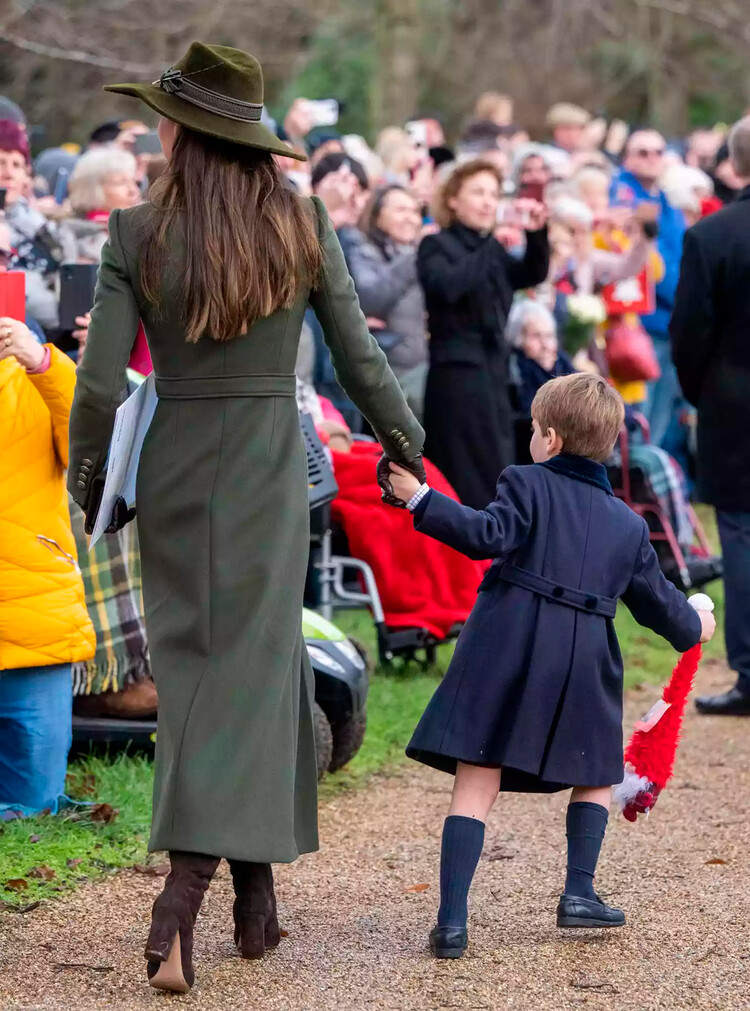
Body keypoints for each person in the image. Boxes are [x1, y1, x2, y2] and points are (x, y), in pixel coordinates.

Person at [67, 43, 425, 994]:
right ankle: (187, 896)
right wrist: (404, 440)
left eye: (163, 118)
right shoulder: (302, 220)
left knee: (203, 674)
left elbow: (99, 384)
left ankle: (252, 900)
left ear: (186, 132)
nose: (157, 130)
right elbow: (359, 354)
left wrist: (89, 475)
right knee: (256, 668)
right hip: (269, 466)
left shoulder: (136, 228)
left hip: (176, 464)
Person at [386, 372, 715, 958]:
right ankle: (579, 894)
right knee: (596, 772)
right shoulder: (628, 524)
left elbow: (486, 535)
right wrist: (697, 624)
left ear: (552, 439)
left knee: (478, 771)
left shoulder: (525, 482)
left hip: (507, 643)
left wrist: (419, 497)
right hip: (585, 658)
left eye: (536, 429)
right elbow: (662, 609)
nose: (532, 438)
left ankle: (453, 921)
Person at [0, 315, 95, 817]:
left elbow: (92, 455)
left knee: (34, 803)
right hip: (35, 607)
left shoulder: (37, 372)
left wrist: (42, 362)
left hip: (32, 615)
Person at [671, 115, 750, 717]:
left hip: (735, 402)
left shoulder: (713, 235)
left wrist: (705, 393)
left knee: (741, 534)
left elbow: (689, 334)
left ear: (735, 163)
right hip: (731, 400)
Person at [418, 159, 549, 508]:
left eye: (493, 194)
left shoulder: (491, 248)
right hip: (457, 377)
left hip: (493, 373)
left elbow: (530, 273)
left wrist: (537, 234)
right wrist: (492, 245)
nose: (488, 202)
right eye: (478, 192)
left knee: (497, 468)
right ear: (452, 200)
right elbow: (449, 287)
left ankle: (493, 536)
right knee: (465, 475)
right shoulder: (436, 245)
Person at [611, 130, 686, 453]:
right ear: (627, 158)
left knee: (659, 422)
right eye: (643, 152)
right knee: (637, 424)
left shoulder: (666, 201)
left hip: (670, 323)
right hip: (639, 326)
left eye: (658, 151)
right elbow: (649, 269)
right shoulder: (624, 197)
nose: (652, 158)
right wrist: (684, 293)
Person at [347, 185, 427, 418]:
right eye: (401, 210)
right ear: (377, 214)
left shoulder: (413, 252)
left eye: (414, 211)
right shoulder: (363, 249)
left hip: (421, 367)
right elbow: (370, 297)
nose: (410, 218)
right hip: (391, 373)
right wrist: (413, 257)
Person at [0, 119, 61, 331]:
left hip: (55, 334)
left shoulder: (41, 225)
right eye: (0, 163)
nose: (8, 173)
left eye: (16, 165)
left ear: (26, 175)